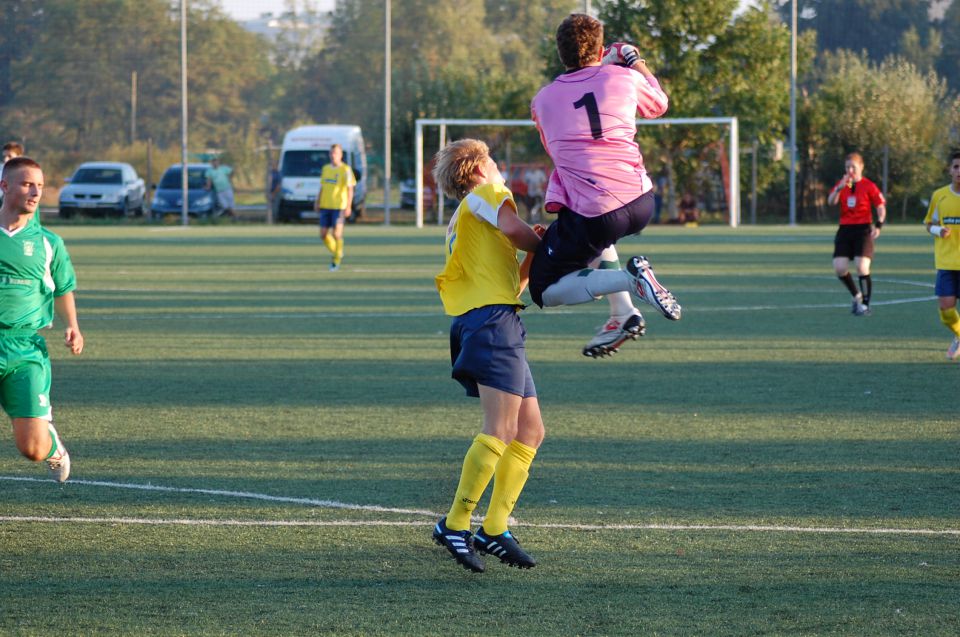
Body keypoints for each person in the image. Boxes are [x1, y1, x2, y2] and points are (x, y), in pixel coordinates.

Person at [527, 14, 681, 358]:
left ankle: (633, 282)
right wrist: (632, 61)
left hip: (598, 210)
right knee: (593, 235)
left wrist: (603, 65)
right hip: (641, 200)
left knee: (544, 289)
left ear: (560, 52)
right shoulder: (625, 78)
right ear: (600, 48)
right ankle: (622, 313)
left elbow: (558, 149)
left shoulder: (543, 100)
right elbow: (659, 103)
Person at [430, 139, 544, 573]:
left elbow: (511, 280)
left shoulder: (463, 216)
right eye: (494, 162)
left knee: (529, 431)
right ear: (477, 169)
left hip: (489, 319)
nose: (499, 169)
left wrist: (536, 255)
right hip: (491, 323)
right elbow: (519, 233)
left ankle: (494, 527)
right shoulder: (487, 194)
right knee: (500, 429)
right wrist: (550, 242)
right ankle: (455, 523)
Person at [0, 157, 83, 482]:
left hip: (24, 349)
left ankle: (53, 448)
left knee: (32, 448)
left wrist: (72, 325)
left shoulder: (49, 243)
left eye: (40, 186)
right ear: (4, 186)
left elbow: (63, 288)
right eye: (26, 184)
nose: (35, 192)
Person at [827, 152, 886, 316]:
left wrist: (879, 224)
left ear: (861, 167)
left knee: (862, 266)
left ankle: (866, 304)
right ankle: (856, 294)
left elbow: (880, 206)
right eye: (847, 167)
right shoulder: (843, 184)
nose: (850, 170)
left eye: (853, 166)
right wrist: (839, 188)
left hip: (863, 230)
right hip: (845, 230)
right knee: (840, 268)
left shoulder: (869, 185)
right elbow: (831, 201)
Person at [923, 150, 960, 361]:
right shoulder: (940, 195)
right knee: (946, 311)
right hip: (946, 262)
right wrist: (938, 231)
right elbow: (928, 224)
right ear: (950, 170)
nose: (959, 171)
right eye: (956, 166)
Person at [314, 144, 356, 272]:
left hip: (339, 206)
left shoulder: (346, 170)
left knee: (337, 233)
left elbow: (350, 189)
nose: (333, 156)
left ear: (341, 155)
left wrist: (349, 206)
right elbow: (322, 186)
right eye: (331, 153)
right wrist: (317, 201)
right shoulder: (325, 168)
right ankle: (337, 252)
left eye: (336, 153)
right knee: (323, 234)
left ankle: (336, 261)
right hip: (326, 205)